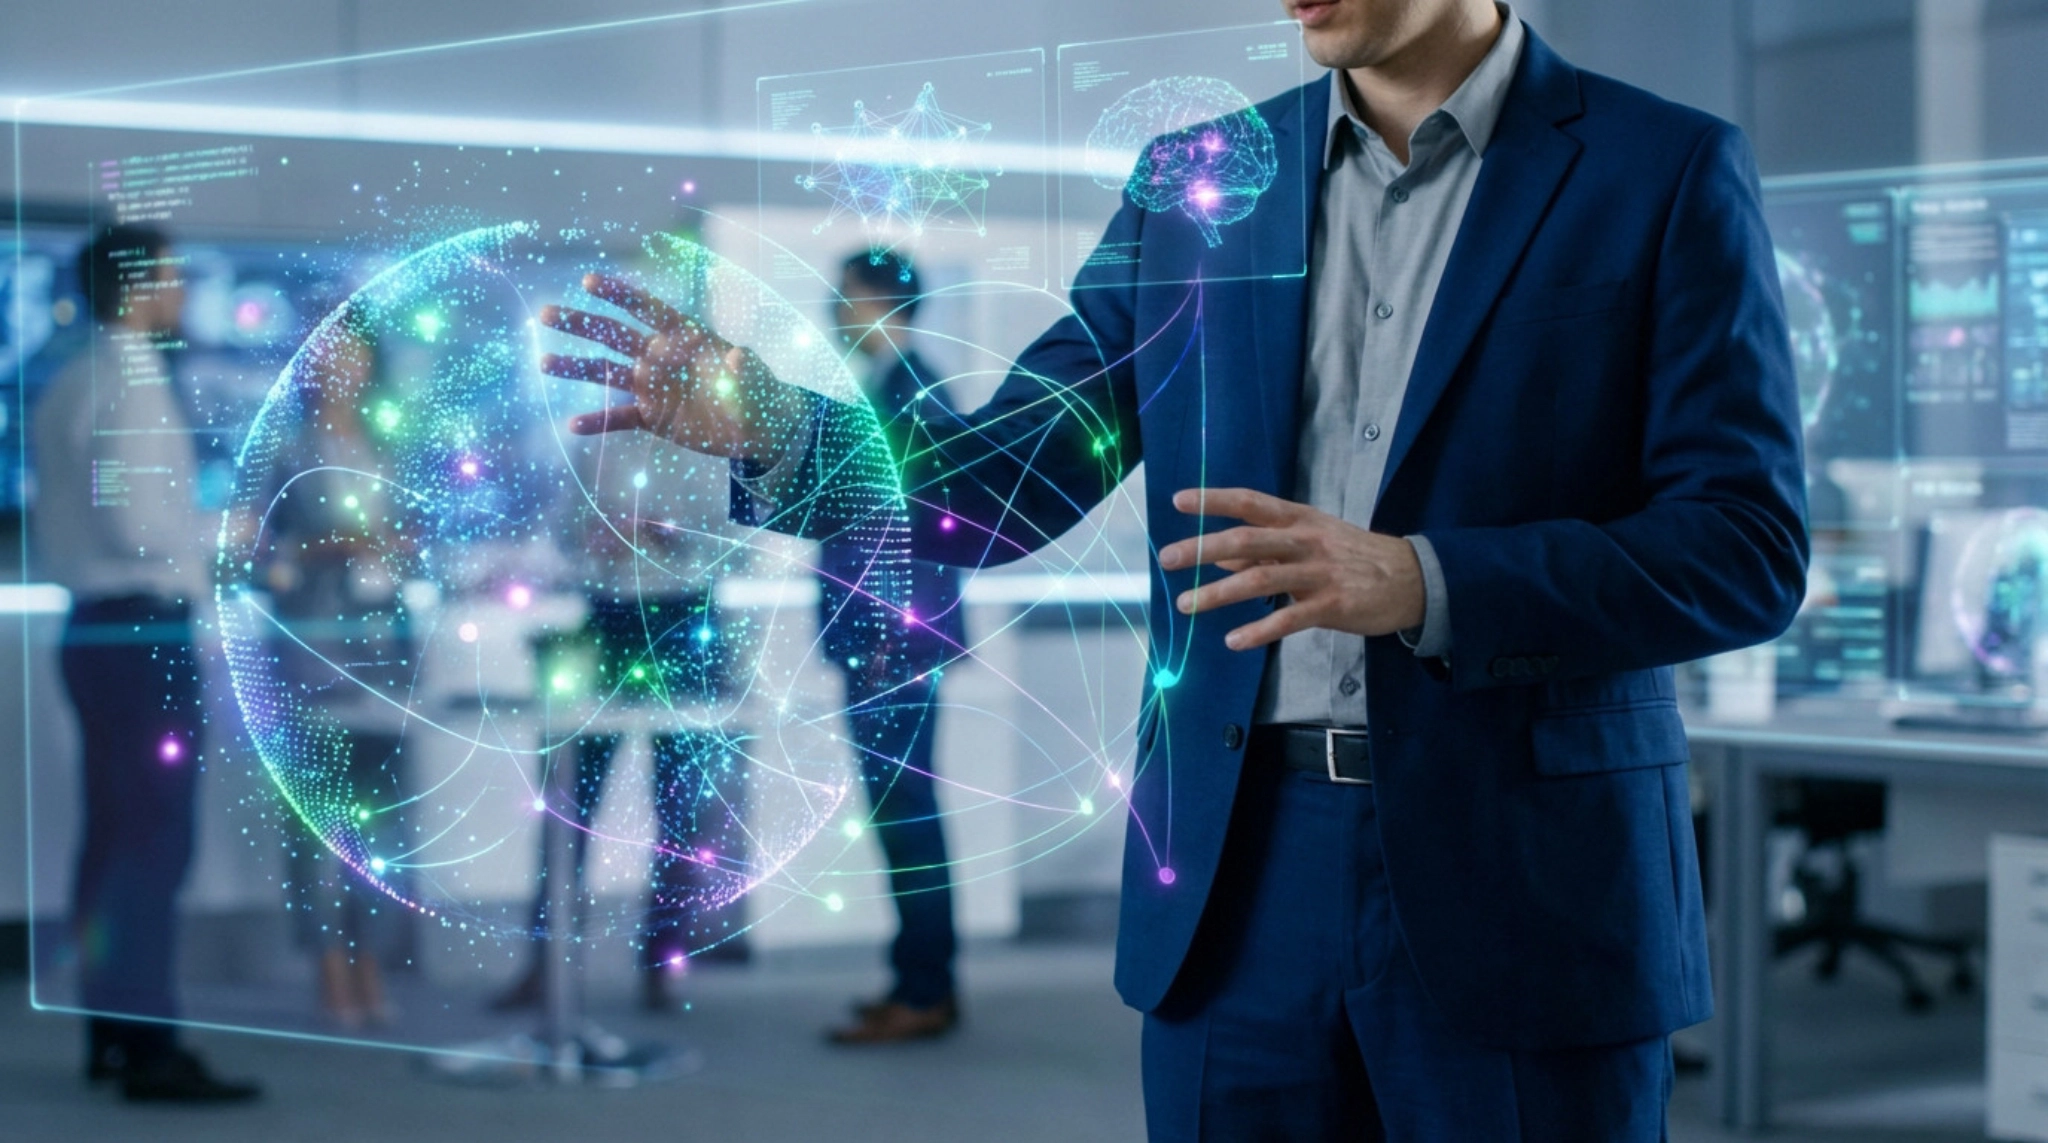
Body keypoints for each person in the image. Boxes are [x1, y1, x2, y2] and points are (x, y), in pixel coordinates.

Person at [542, 0, 1809, 1134]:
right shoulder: (1194, 186)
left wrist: (1423, 581)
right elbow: (1010, 473)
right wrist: (778, 427)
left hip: (1523, 871)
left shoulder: (1661, 169)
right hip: (1235, 876)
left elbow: (1742, 545)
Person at [31, 223, 262, 1102]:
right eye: (171, 275)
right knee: (152, 838)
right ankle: (149, 1043)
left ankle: (115, 1030)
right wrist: (222, 533)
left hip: (98, 629)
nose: (182, 290)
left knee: (114, 831)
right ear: (138, 285)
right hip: (141, 630)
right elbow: (135, 523)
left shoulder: (74, 377)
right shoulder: (129, 382)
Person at [816, 249, 966, 1045]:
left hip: (892, 645)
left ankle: (926, 986)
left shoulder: (913, 392)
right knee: (899, 810)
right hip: (881, 640)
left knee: (907, 811)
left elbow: (919, 531)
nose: (836, 309)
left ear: (879, 300)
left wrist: (887, 637)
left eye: (846, 295)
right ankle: (918, 978)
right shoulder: (887, 387)